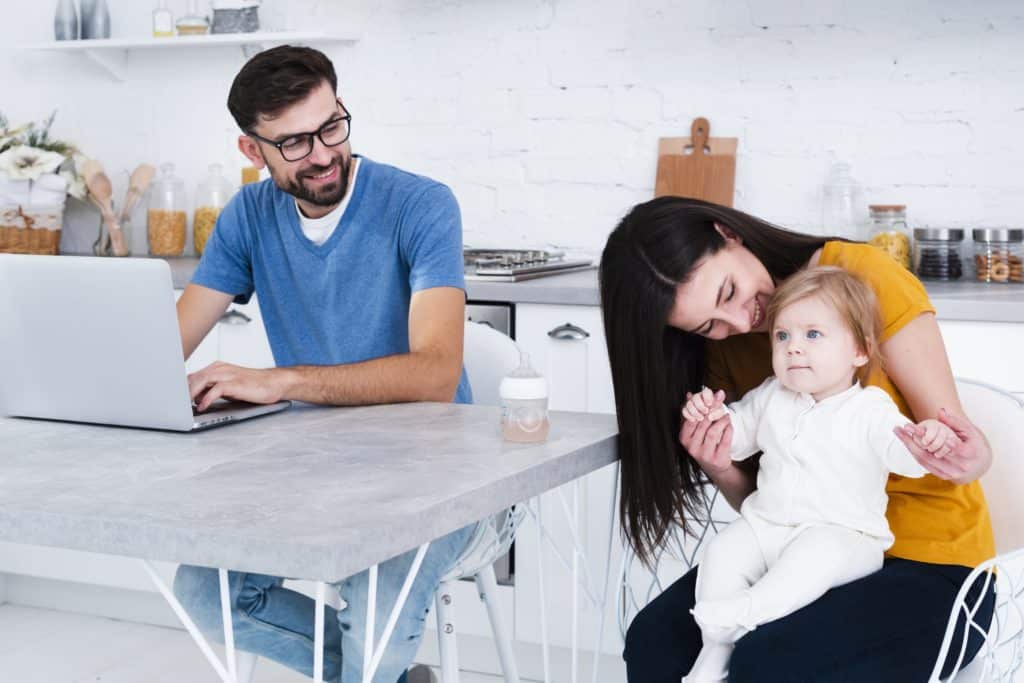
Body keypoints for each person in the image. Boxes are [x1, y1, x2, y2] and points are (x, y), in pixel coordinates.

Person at [599, 196, 996, 682]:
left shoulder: (862, 277)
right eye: (710, 325)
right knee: (655, 643)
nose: (743, 323)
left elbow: (952, 442)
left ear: (729, 234)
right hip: (795, 544)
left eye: (729, 291)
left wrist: (970, 455)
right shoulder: (727, 349)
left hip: (931, 564)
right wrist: (720, 464)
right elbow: (770, 493)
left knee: (769, 659)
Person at [171, 45, 473, 683]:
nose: (324, 153)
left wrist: (279, 381)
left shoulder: (419, 204)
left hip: (442, 480)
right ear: (252, 151)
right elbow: (169, 345)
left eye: (332, 125)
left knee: (374, 609)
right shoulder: (249, 216)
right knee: (204, 592)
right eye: (295, 143)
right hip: (314, 473)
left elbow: (436, 372)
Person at [680, 267, 957, 681]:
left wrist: (927, 441)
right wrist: (712, 417)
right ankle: (716, 647)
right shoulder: (772, 394)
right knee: (723, 553)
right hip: (768, 525)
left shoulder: (870, 410)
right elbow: (735, 436)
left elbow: (903, 454)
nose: (793, 348)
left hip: (844, 536)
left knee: (809, 564)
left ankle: (745, 614)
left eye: (813, 335)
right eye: (782, 336)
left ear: (860, 351)